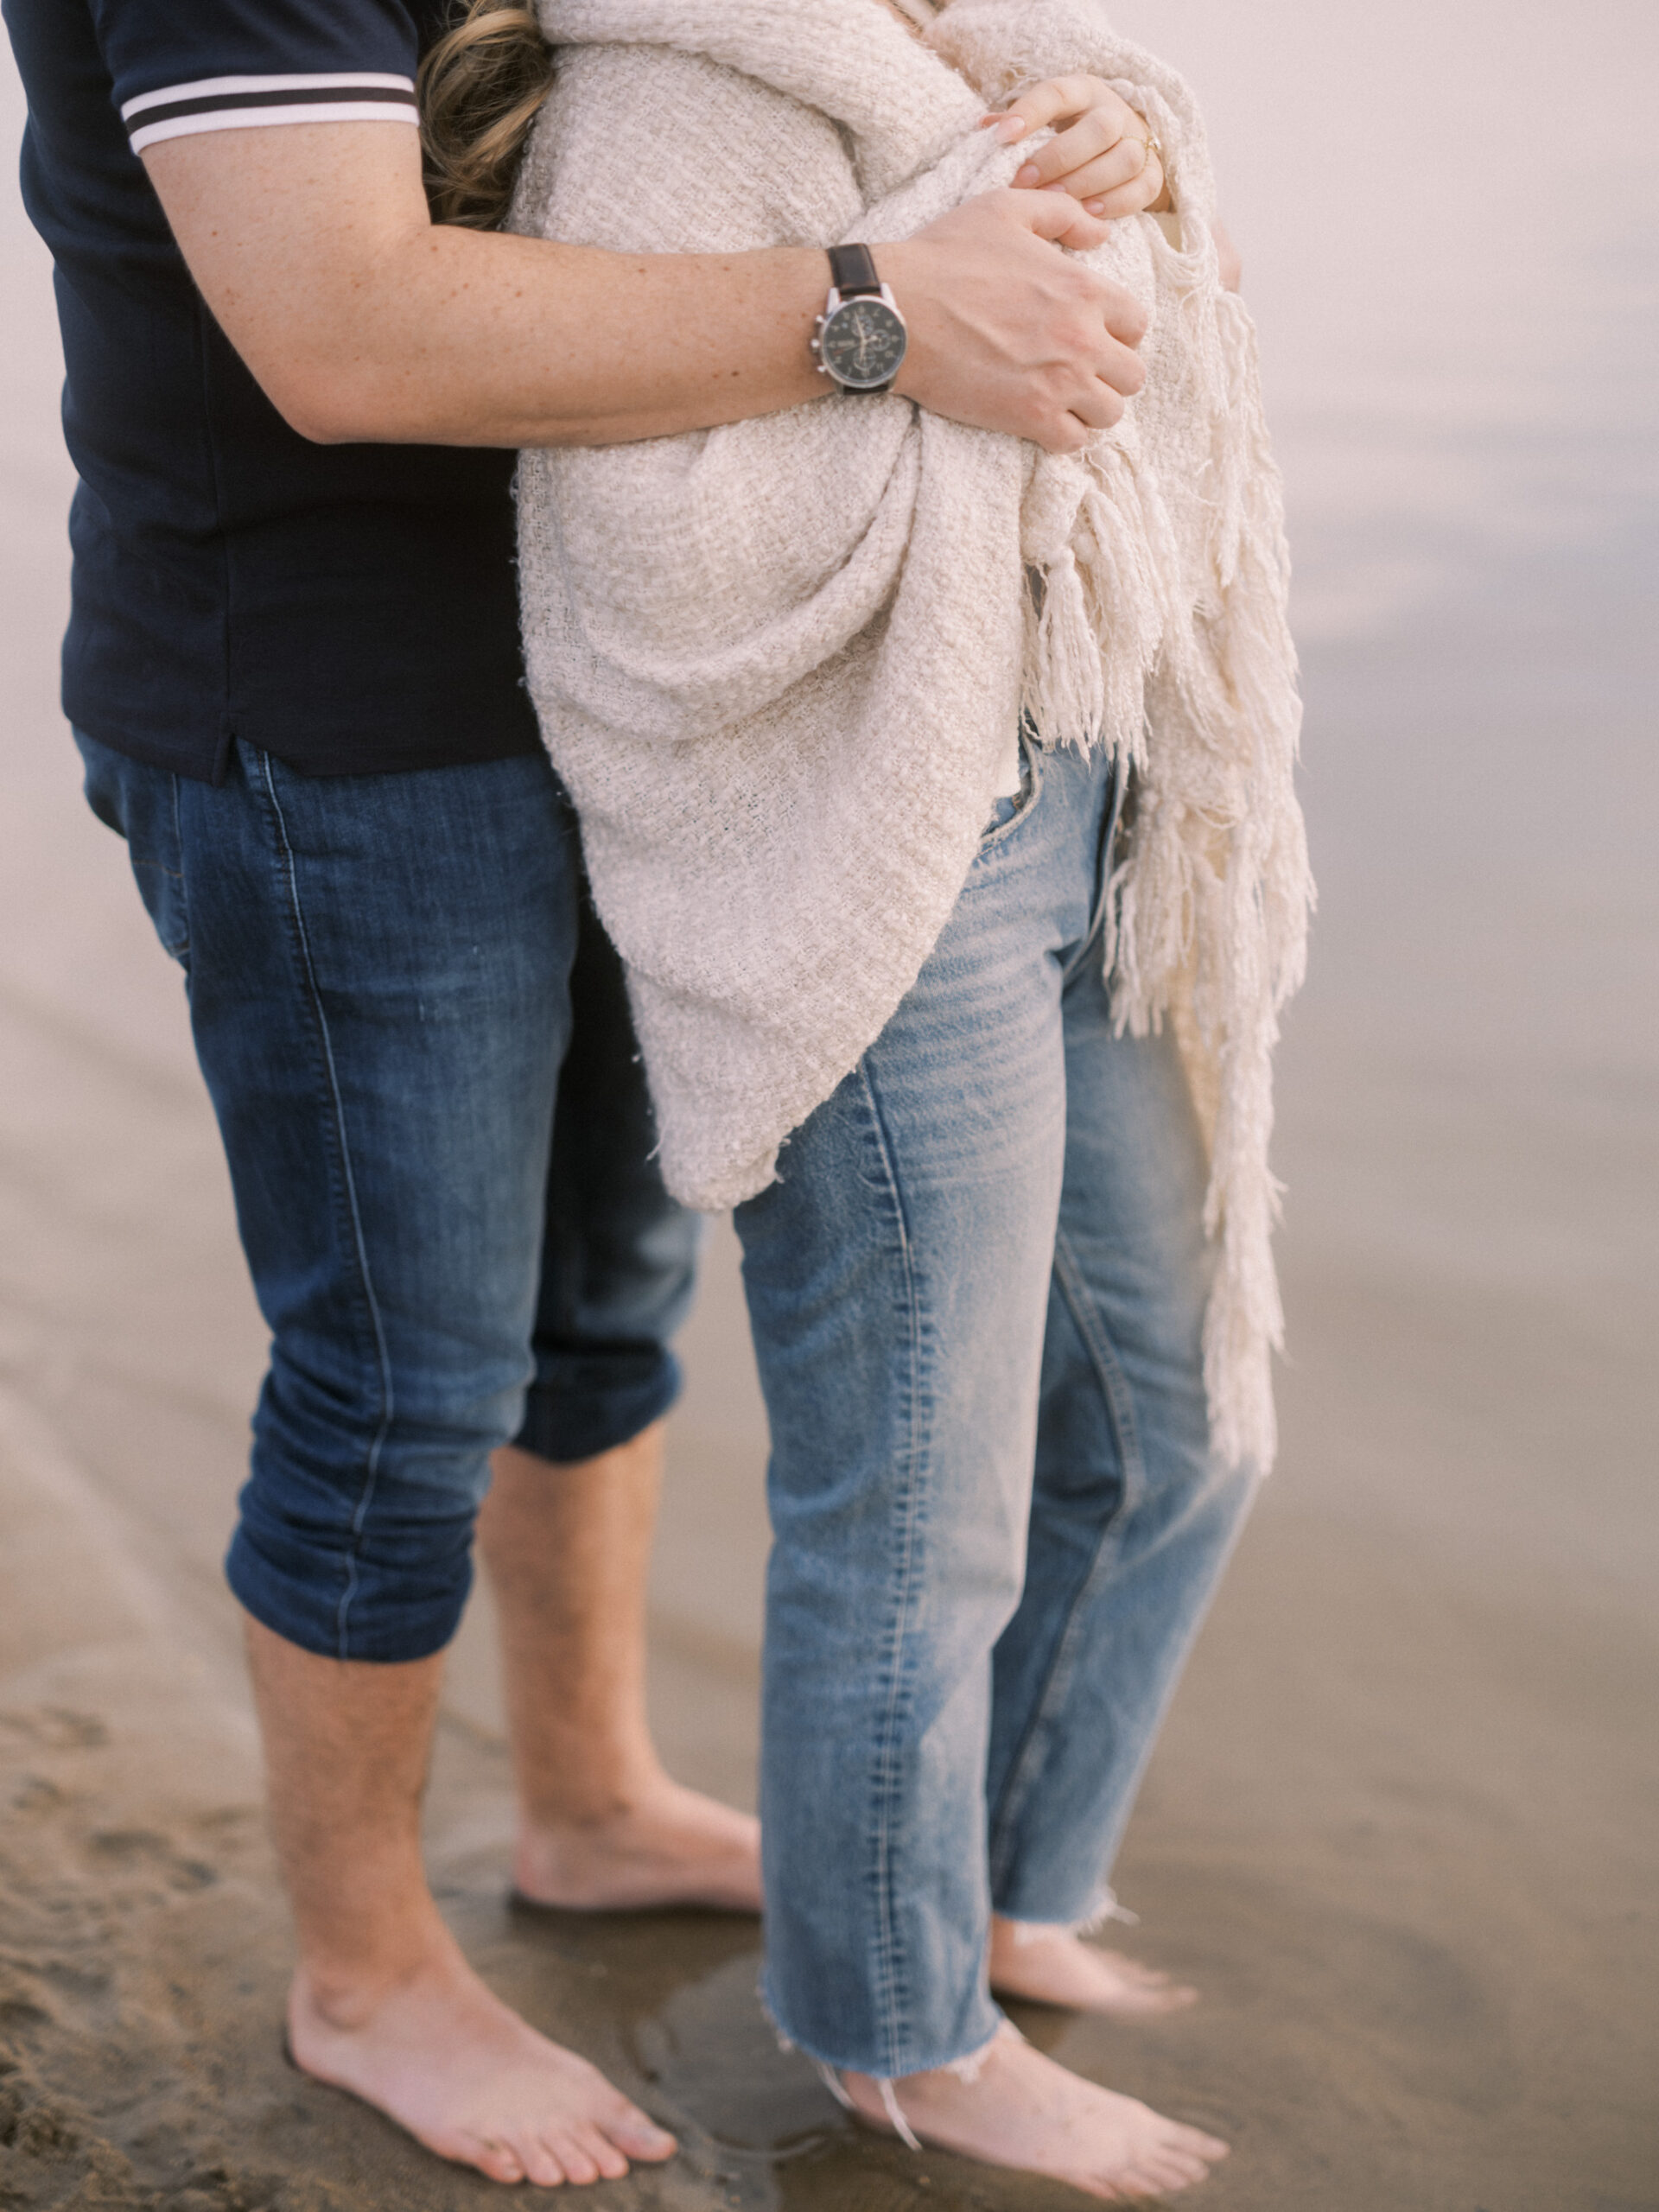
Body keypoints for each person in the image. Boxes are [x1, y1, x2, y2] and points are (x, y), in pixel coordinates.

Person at [1, 0, 1159, 2189]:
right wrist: (885, 315)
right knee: (397, 1380)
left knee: (601, 1306)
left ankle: (591, 1796)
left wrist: (1040, 118)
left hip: (631, 677)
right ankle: (361, 1971)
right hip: (339, 723)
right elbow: (346, 330)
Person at [491, 0, 1312, 2196]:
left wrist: (1133, 162)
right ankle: (899, 2026)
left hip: (1092, 764)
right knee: (916, 1508)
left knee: (1176, 1414)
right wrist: (932, 361)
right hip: (877, 833)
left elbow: (1150, 322)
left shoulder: (1007, 43)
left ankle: (1024, 1883)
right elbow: (640, 565)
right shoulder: (673, 89)